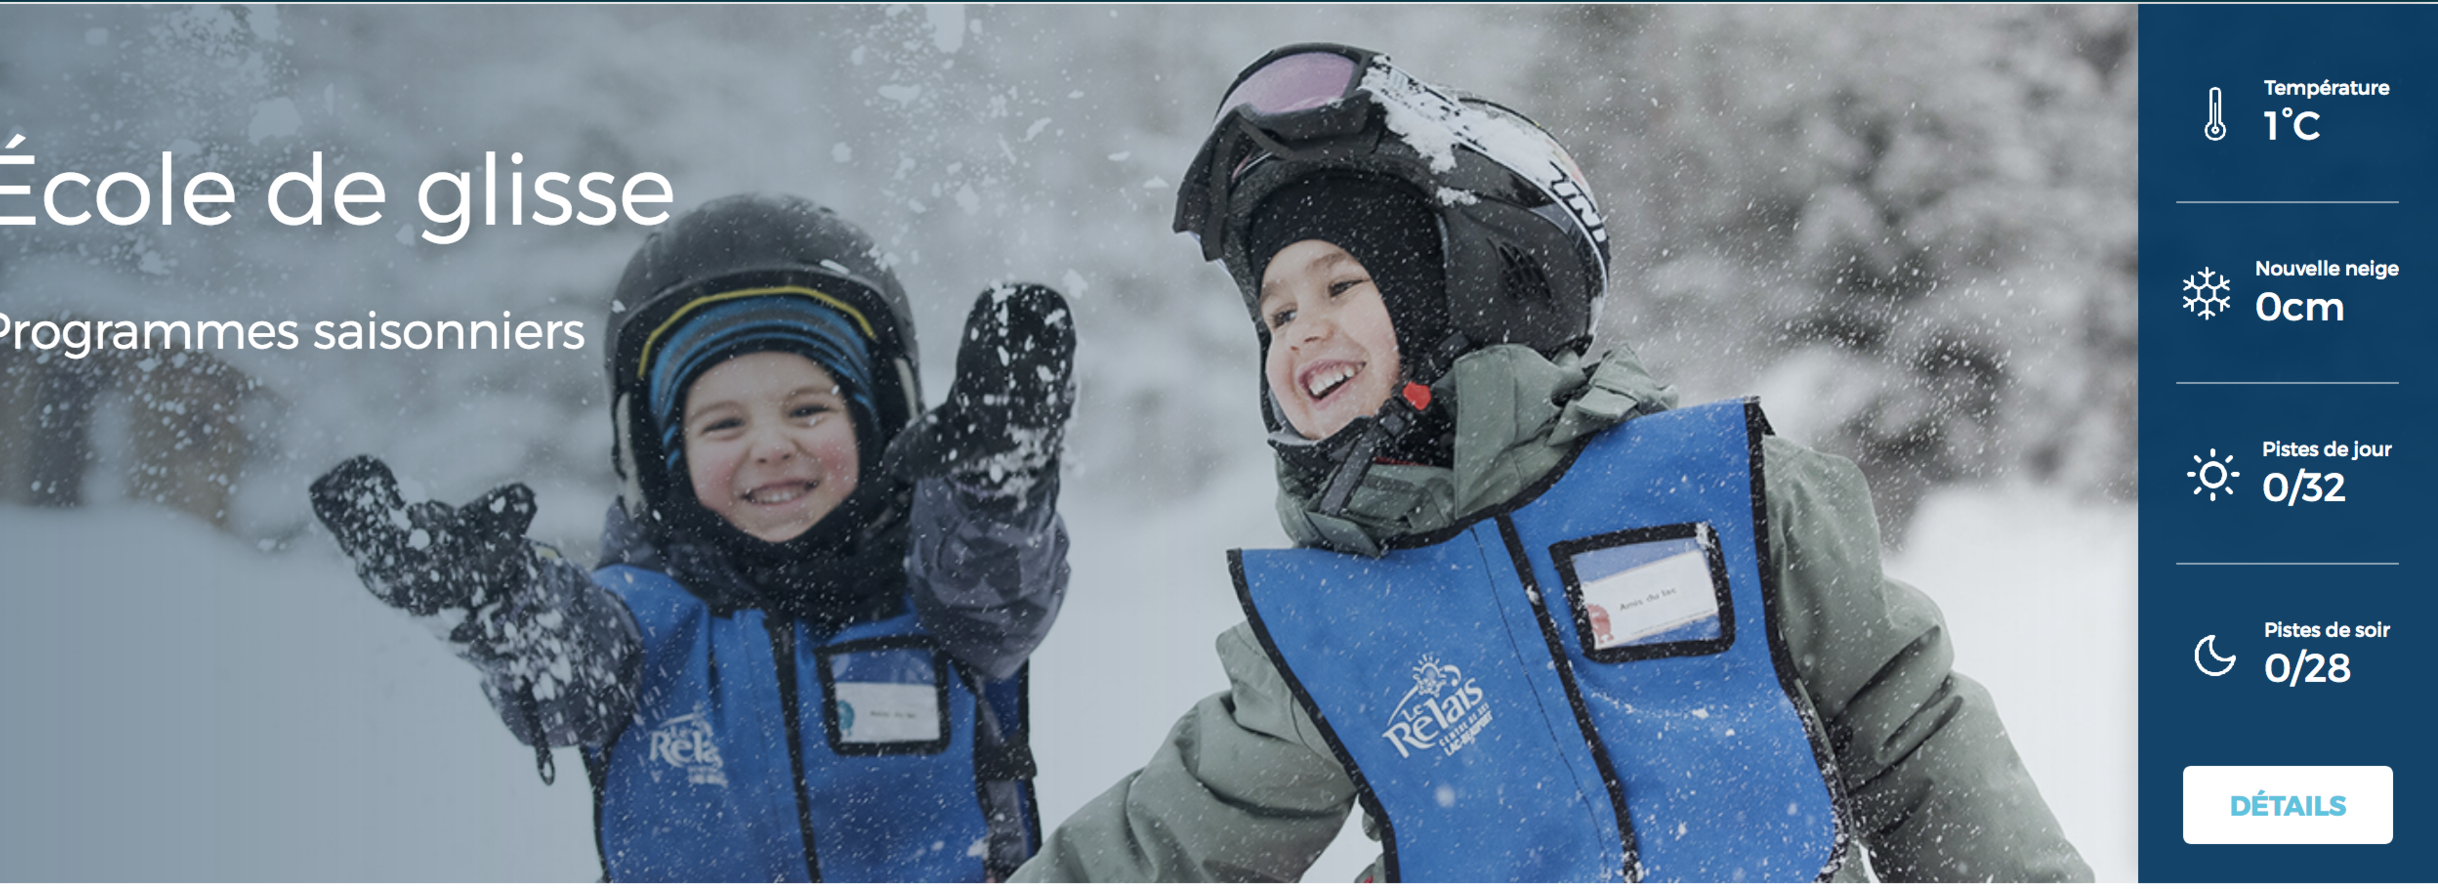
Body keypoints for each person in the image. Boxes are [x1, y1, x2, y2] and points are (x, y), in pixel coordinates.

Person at [1011, 44, 2091, 883]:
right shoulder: (1335, 626)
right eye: (1275, 312)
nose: (1300, 332)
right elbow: (1172, 843)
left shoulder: (1721, 492)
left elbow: (1912, 728)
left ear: (1460, 289)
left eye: (1341, 285)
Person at [309, 194, 1076, 882]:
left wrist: (998, 486)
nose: (772, 445)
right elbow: (564, 672)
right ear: (662, 459)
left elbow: (1003, 590)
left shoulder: (939, 593)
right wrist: (492, 597)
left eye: (808, 410)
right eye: (725, 423)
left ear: (877, 426)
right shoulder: (638, 621)